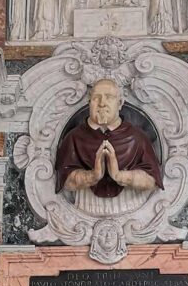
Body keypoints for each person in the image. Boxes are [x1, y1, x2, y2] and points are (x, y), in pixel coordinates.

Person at [55, 78, 162, 217]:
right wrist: (92, 176)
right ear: (89, 102)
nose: (102, 103)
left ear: (120, 103)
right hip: (85, 210)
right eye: (96, 98)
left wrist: (119, 175)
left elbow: (152, 180)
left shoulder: (137, 138)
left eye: (109, 97)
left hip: (133, 210)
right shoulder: (74, 138)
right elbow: (66, 180)